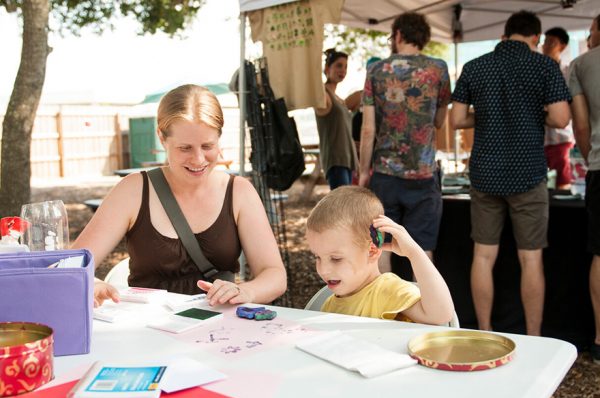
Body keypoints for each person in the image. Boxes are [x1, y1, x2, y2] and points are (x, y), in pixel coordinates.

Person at [73, 84, 287, 307]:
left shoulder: (239, 192)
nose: (198, 159)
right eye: (185, 148)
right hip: (147, 324)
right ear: (161, 137)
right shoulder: (133, 190)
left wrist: (246, 292)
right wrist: (92, 283)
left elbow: (274, 274)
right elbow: (71, 265)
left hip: (219, 323)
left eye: (208, 146)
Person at [451, 10, 571, 336]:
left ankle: (485, 331)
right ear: (535, 37)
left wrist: (489, 112)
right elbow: (561, 119)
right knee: (530, 259)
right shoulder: (544, 66)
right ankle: (533, 337)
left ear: (505, 34)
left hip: (485, 173)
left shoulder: (475, 66)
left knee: (483, 256)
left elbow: (457, 119)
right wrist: (532, 111)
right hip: (528, 172)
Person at [358, 12, 451, 273]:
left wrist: (363, 171)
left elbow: (368, 129)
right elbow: (440, 120)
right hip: (423, 174)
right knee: (422, 250)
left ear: (398, 34)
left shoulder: (377, 71)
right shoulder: (438, 69)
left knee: (381, 245)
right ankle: (425, 299)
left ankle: (384, 301)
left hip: (385, 174)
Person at [305, 186, 454, 325]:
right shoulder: (330, 304)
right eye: (317, 257)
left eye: (336, 259)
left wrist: (413, 253)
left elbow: (440, 315)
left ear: (372, 251)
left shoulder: (388, 290)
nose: (323, 270)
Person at [569, 14, 600, 362]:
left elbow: (579, 124)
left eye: (591, 31)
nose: (589, 37)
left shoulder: (582, 64)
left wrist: (590, 153)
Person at [314, 48, 358, 190]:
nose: (343, 70)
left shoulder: (339, 99)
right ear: (327, 68)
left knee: (347, 202)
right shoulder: (324, 95)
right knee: (342, 203)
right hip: (335, 160)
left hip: (347, 160)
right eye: (339, 66)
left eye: (345, 67)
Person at [542, 27, 575, 189]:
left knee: (562, 184)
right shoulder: (534, 70)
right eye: (545, 41)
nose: (546, 45)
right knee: (540, 185)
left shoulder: (568, 72)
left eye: (552, 42)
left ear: (562, 46)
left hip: (561, 138)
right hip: (538, 140)